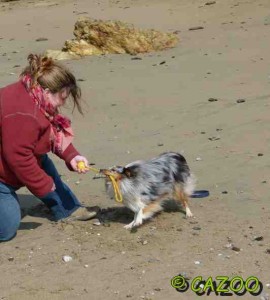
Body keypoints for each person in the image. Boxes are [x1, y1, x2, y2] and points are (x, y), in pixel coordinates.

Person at [0, 54, 97, 242]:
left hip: (18, 158)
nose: (63, 103)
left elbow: (50, 134)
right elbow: (18, 157)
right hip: (3, 174)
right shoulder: (24, 114)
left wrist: (71, 156)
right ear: (45, 90)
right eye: (62, 97)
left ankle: (68, 209)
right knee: (7, 229)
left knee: (45, 168)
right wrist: (43, 185)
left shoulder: (35, 96)